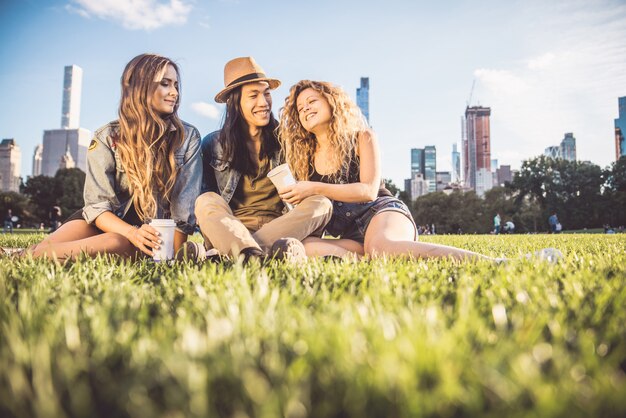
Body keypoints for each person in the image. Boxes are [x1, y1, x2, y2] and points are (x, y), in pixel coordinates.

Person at [278, 80, 495, 261]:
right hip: (352, 236)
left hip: (382, 213)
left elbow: (368, 191)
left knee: (381, 247)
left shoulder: (362, 137)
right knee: (302, 245)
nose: (305, 108)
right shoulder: (305, 160)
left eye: (312, 101)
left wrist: (313, 187)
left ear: (331, 102)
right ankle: (365, 261)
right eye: (299, 107)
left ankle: (492, 262)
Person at [20, 54, 201, 261]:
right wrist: (131, 232)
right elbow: (97, 206)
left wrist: (172, 256)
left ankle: (26, 255)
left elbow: (183, 211)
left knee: (116, 242)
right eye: (165, 84)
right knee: (48, 247)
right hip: (103, 222)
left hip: (148, 234)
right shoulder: (106, 136)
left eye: (176, 85)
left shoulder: (188, 137)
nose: (174, 92)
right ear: (141, 87)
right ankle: (24, 255)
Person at [192, 57, 332, 262]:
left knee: (322, 203)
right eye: (253, 95)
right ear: (235, 102)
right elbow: (210, 208)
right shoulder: (213, 144)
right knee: (205, 201)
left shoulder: (287, 140)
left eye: (266, 93)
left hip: (280, 227)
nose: (263, 102)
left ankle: (240, 254)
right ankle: (256, 252)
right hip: (230, 226)